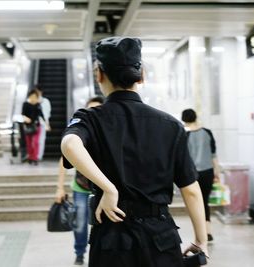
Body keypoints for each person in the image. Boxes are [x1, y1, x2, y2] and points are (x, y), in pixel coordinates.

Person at [61, 37, 208, 267]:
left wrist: (109, 189)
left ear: (99, 74)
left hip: (112, 238)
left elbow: (70, 144)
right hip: (162, 238)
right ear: (142, 76)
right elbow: (190, 191)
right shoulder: (171, 125)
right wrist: (201, 240)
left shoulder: (90, 118)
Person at [55, 96, 105, 266]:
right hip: (81, 187)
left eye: (98, 109)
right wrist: (59, 187)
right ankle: (80, 252)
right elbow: (64, 159)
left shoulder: (109, 132)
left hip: (103, 189)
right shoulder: (79, 132)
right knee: (81, 223)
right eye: (91, 109)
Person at [181, 109, 220, 242]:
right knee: (205, 201)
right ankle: (208, 232)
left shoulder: (185, 135)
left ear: (184, 119)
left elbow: (184, 158)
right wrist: (217, 172)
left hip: (193, 174)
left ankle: (200, 234)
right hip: (208, 172)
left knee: (196, 203)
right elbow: (214, 155)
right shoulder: (207, 132)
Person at [22, 89, 49, 165]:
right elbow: (23, 114)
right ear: (29, 97)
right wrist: (26, 119)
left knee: (36, 142)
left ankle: (35, 157)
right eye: (32, 96)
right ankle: (30, 157)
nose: (33, 98)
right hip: (27, 126)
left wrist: (47, 125)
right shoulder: (25, 104)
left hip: (37, 126)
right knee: (29, 143)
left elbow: (42, 115)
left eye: (35, 97)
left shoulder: (38, 105)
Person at [35, 85, 52, 161]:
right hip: (34, 123)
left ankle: (39, 156)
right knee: (34, 140)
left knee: (41, 140)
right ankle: (34, 155)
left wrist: (47, 124)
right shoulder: (32, 100)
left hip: (42, 123)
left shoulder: (46, 101)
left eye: (38, 91)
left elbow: (47, 114)